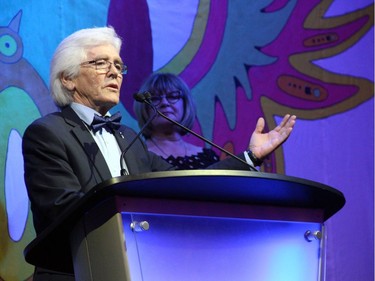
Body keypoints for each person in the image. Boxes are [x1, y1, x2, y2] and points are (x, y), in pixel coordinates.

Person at [22, 26, 296, 280]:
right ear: (68, 79)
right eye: (101, 63)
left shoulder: (128, 138)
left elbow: (186, 185)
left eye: (118, 65)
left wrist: (249, 157)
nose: (115, 72)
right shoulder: (47, 133)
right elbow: (62, 208)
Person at [134, 73, 221, 169]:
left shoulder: (208, 157)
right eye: (155, 99)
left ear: (185, 104)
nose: (164, 103)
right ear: (145, 108)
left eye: (172, 96)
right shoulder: (136, 156)